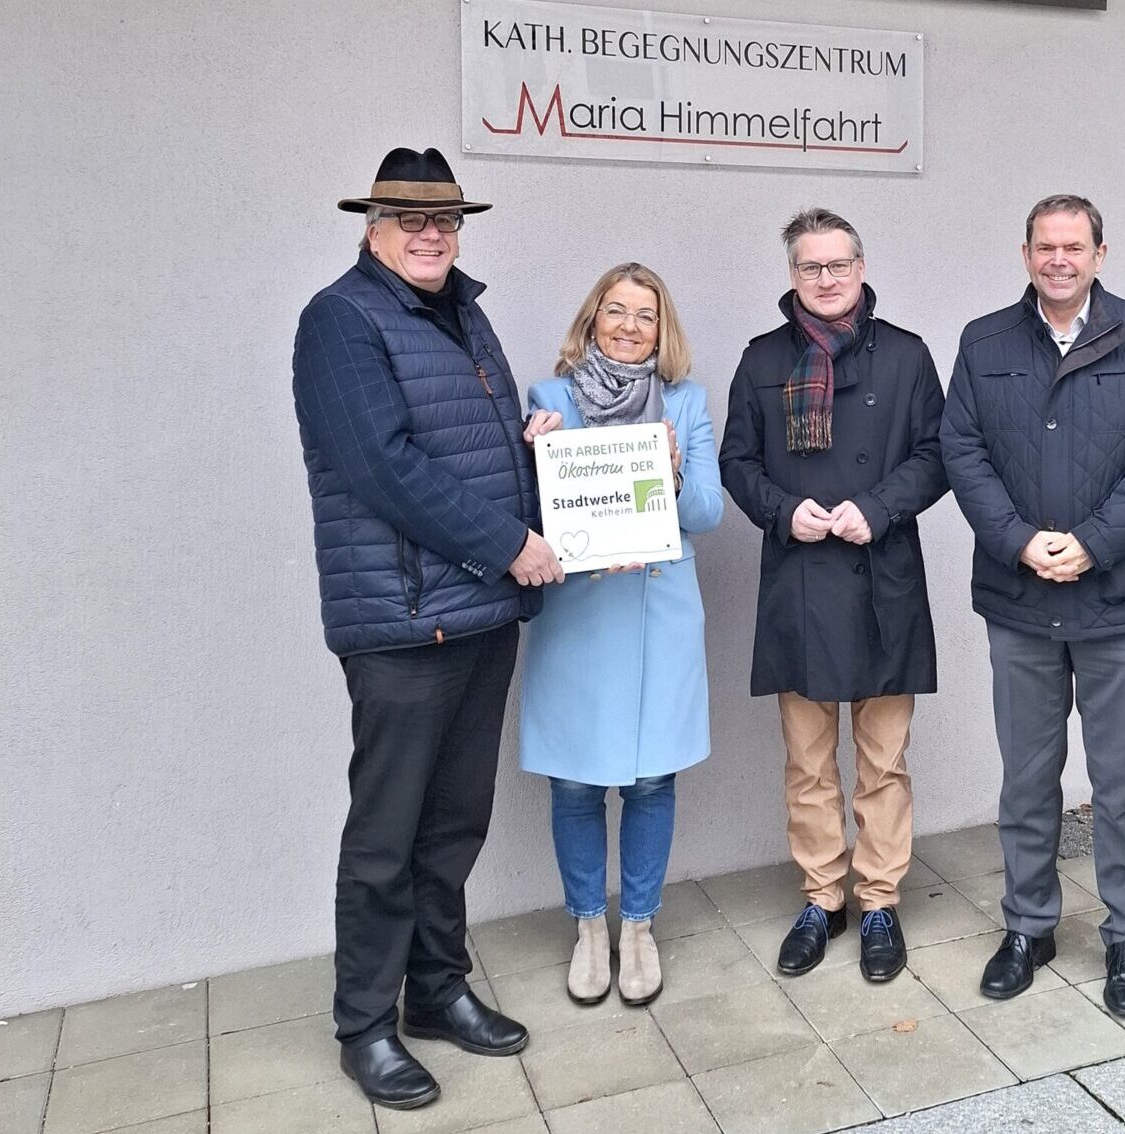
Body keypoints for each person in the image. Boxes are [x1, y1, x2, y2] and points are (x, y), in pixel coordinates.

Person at [292, 147, 561, 1110]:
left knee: (452, 825)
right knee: (385, 838)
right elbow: (384, 467)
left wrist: (533, 456)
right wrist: (510, 542)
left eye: (444, 221)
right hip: (403, 624)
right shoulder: (341, 320)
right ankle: (363, 1024)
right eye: (409, 221)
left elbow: (468, 451)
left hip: (478, 614)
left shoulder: (463, 314)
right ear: (371, 227)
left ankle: (435, 990)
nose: (429, 234)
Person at [940, 194, 1125, 1015]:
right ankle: (1029, 925)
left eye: (1073, 246)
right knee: (1027, 776)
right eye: (1045, 246)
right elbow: (962, 450)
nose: (1059, 259)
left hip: (1120, 596)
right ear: (1025, 255)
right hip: (1020, 598)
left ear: (1099, 253)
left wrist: (1090, 541)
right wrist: (1018, 539)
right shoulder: (984, 341)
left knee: (1120, 781)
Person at [720, 208, 947, 983]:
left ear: (860, 264)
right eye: (811, 267)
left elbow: (937, 455)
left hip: (882, 575)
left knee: (883, 761)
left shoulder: (909, 357)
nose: (826, 279)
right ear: (792, 275)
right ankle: (823, 898)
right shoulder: (761, 360)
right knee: (808, 764)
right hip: (801, 579)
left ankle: (879, 900)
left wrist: (876, 509)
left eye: (838, 264)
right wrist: (786, 512)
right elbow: (736, 462)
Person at [518, 263, 723, 1007]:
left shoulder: (687, 404)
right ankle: (586, 928)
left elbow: (706, 511)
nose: (630, 326)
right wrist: (529, 455)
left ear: (662, 329)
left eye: (646, 314)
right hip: (578, 613)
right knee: (574, 778)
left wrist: (669, 472)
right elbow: (532, 512)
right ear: (592, 316)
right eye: (616, 310)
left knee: (650, 777)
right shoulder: (550, 398)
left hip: (659, 610)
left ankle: (637, 926)